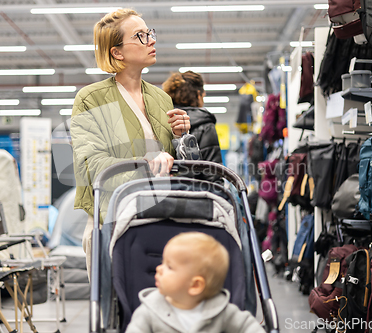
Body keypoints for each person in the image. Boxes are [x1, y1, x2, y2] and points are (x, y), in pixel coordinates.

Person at [70, 8, 189, 277]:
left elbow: (174, 163)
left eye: (149, 33)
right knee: (115, 313)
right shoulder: (92, 98)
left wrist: (182, 137)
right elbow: (92, 165)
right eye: (140, 36)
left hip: (161, 217)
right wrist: (145, 164)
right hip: (112, 221)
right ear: (117, 52)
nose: (151, 40)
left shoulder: (161, 99)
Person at [126, 232, 266, 333]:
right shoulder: (149, 311)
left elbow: (248, 326)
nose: (158, 268)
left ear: (195, 285)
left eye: (169, 266)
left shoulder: (220, 311)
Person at [162, 71, 222, 165]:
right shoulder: (205, 124)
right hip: (194, 179)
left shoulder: (162, 120)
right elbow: (212, 170)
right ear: (198, 95)